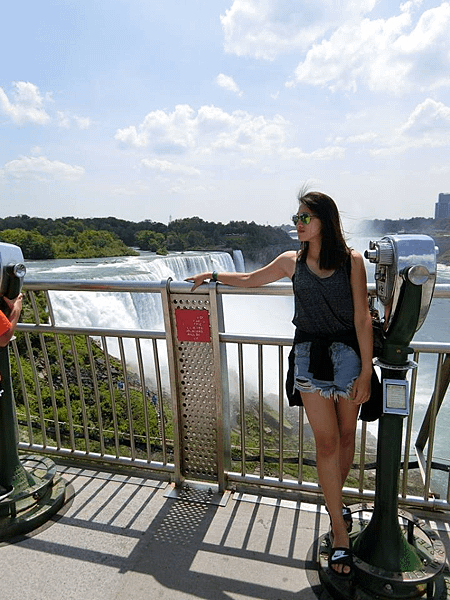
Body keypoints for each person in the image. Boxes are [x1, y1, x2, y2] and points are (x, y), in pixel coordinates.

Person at [186, 190, 373, 577]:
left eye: (305, 217)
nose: (298, 223)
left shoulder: (352, 261)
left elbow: (362, 318)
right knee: (325, 442)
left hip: (348, 357)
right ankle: (339, 530)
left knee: (345, 437)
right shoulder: (292, 261)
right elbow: (253, 279)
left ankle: (335, 504)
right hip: (308, 355)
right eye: (296, 217)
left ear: (325, 220)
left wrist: (367, 371)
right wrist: (214, 275)